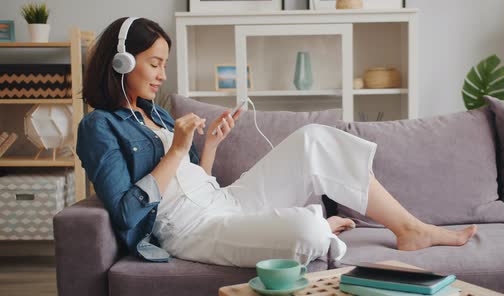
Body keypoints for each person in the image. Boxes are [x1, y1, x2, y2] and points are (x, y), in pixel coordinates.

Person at [77, 17, 477, 266]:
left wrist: (210, 147)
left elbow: (194, 181)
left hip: (225, 201)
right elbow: (128, 213)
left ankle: (409, 228)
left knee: (314, 139)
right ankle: (320, 226)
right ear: (122, 63)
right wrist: (178, 149)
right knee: (308, 231)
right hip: (190, 229)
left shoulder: (157, 113)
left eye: (165, 64)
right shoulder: (99, 127)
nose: (163, 74)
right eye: (155, 63)